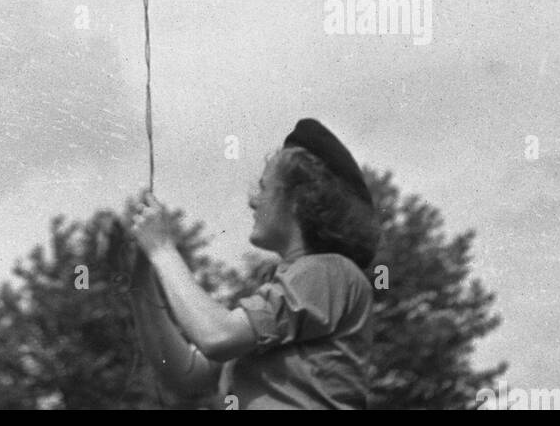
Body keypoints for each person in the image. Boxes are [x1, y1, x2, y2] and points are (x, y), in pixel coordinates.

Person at [126, 118, 378, 410]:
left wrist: (161, 249)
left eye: (263, 188)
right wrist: (142, 278)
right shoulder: (289, 287)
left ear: (298, 199)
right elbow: (187, 375)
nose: (252, 201)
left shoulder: (329, 271)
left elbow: (217, 336)